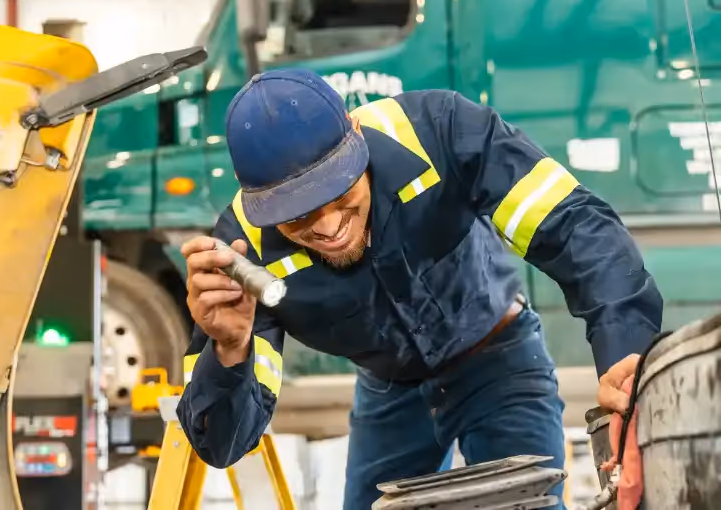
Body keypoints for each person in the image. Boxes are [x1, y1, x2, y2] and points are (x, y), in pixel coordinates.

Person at [177, 69, 662, 509]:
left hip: (500, 359)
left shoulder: (440, 131)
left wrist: (623, 350)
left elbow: (575, 227)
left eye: (338, 191)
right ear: (258, 203)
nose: (327, 227)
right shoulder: (239, 261)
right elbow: (220, 444)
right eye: (297, 215)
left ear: (357, 137)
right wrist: (230, 349)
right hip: (388, 393)